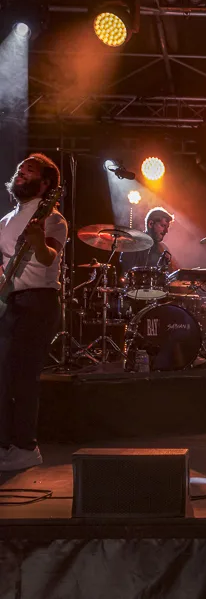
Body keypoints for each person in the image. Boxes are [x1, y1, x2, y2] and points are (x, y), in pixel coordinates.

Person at [0, 154, 67, 472]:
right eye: (20, 170)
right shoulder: (5, 221)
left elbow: (47, 257)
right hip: (10, 303)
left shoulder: (52, 219)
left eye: (30, 171)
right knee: (3, 375)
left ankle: (27, 447)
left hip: (39, 302)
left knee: (24, 376)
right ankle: (5, 444)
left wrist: (38, 242)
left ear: (45, 184)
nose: (21, 173)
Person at [120, 207, 176, 272]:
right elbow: (126, 272)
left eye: (167, 227)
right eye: (163, 226)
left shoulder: (163, 249)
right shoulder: (133, 245)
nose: (166, 231)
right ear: (150, 224)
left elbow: (169, 274)